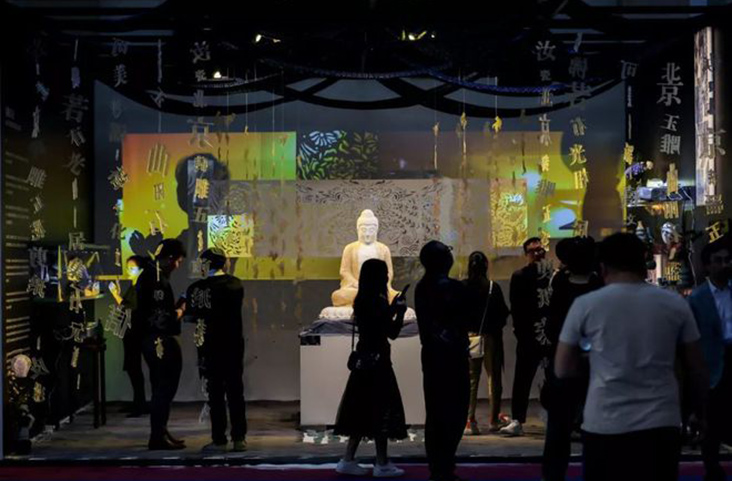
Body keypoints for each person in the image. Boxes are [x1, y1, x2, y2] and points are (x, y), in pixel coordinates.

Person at [555, 233, 708, 481]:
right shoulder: (675, 304)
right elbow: (697, 367)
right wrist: (699, 412)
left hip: (604, 422)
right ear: (644, 263)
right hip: (660, 422)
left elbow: (562, 368)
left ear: (602, 267)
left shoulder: (586, 305)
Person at [333, 259, 408, 478]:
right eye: (384, 274)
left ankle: (348, 458)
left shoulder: (362, 300)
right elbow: (391, 332)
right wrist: (399, 311)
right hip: (378, 362)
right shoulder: (378, 301)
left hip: (363, 361)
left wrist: (392, 308)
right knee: (380, 411)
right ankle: (381, 462)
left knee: (361, 411)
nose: (387, 277)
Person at [541, 237, 602, 481]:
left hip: (564, 362)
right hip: (593, 365)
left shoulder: (561, 284)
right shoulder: (598, 286)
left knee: (558, 428)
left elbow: (552, 326)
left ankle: (553, 475)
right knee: (593, 427)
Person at [415, 241, 470, 481]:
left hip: (433, 356)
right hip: (452, 357)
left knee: (436, 412)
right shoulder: (454, 288)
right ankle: (444, 466)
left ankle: (438, 467)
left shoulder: (421, 287)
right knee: (455, 411)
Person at [184, 248, 248, 453]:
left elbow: (190, 316)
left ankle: (219, 439)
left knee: (215, 394)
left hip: (209, 346)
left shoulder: (196, 288)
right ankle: (239, 438)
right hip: (232, 344)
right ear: (224, 263)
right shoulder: (235, 284)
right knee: (236, 391)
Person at [689, 237, 732, 481]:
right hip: (713, 362)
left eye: (727, 260)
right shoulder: (698, 298)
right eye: (718, 260)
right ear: (707, 265)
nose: (724, 265)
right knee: (712, 421)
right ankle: (712, 469)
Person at [138, 239, 187, 450]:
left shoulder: (150, 275)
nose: (178, 266)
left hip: (150, 339)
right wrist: (181, 309)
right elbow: (161, 318)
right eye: (178, 261)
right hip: (159, 339)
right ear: (170, 258)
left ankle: (160, 431)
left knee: (160, 387)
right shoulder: (156, 279)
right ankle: (157, 436)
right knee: (164, 388)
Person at [501, 237, 550, 436]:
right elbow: (517, 307)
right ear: (526, 254)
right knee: (522, 378)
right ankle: (517, 419)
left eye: (540, 250)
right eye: (533, 251)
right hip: (529, 335)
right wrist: (521, 332)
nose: (538, 254)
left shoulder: (551, 276)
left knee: (553, 377)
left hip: (549, 334)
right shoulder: (520, 276)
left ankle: (556, 416)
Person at [463, 251, 509, 435]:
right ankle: (493, 420)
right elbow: (503, 313)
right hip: (491, 337)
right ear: (486, 266)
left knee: (470, 380)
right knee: (494, 379)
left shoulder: (462, 286)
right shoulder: (492, 287)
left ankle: (470, 421)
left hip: (469, 337)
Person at [109, 255, 150, 417]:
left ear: (141, 270)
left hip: (135, 332)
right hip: (130, 331)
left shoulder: (140, 287)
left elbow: (129, 307)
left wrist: (116, 295)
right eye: (127, 268)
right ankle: (138, 403)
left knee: (134, 369)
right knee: (133, 368)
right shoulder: (135, 286)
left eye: (132, 268)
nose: (128, 271)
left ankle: (140, 405)